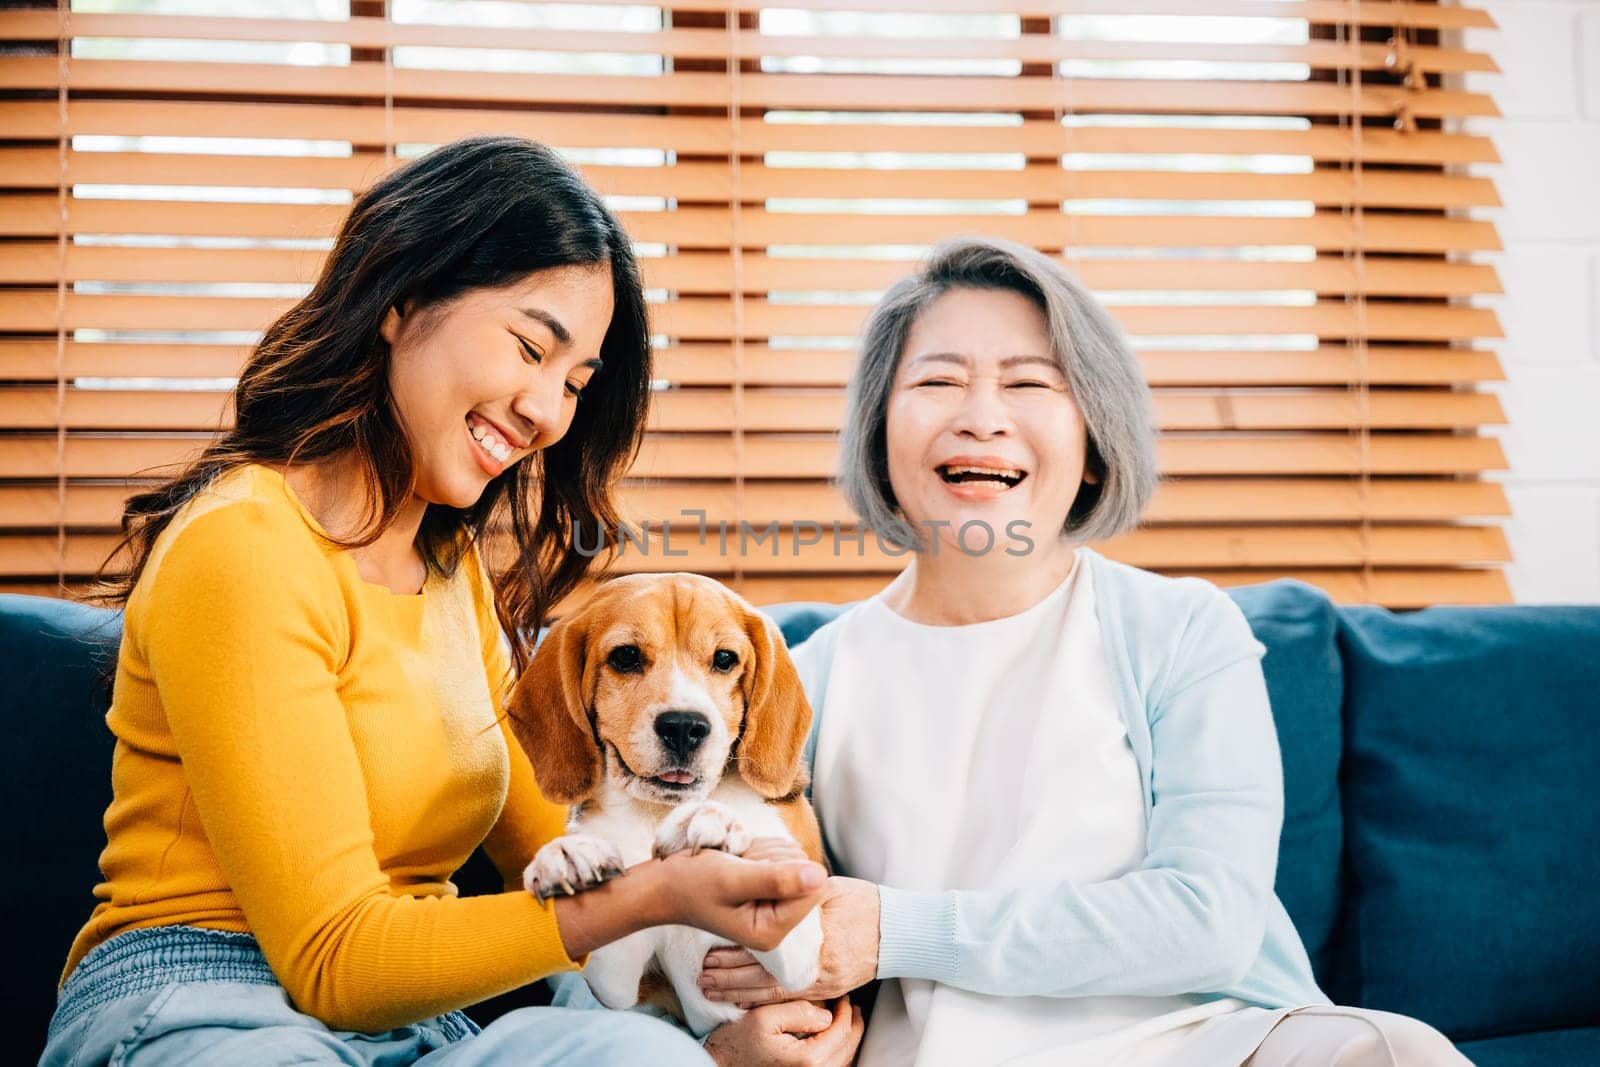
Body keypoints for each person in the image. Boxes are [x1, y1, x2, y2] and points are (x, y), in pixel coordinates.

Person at [38, 135, 827, 1067]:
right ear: (400, 300)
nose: (548, 411)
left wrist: (741, 1022)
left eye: (575, 382)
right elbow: (335, 959)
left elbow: (582, 829)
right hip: (202, 1004)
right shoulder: (242, 546)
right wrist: (653, 898)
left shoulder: (450, 573)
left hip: (420, 1028)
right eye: (532, 347)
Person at [692, 236, 1472, 1066]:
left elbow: (1210, 919)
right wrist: (725, 1045)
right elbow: (681, 922)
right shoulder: (806, 680)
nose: (982, 415)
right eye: (937, 381)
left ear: (1094, 440)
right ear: (879, 431)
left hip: (1205, 1044)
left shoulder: (1182, 632)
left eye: (1030, 382)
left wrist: (895, 928)